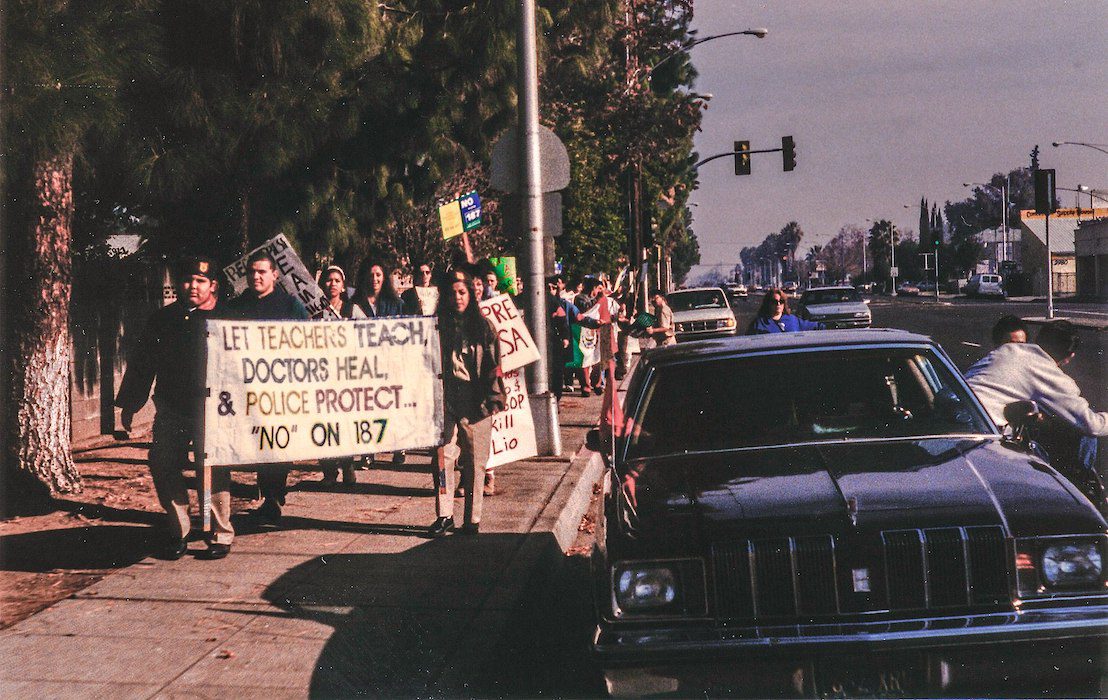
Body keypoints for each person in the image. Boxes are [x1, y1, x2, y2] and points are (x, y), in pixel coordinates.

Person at [115, 256, 233, 560]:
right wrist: (129, 404)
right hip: (172, 407)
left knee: (213, 469)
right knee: (163, 463)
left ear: (213, 286)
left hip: (214, 411)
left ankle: (219, 533)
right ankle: (179, 530)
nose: (193, 286)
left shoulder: (228, 319)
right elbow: (142, 364)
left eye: (201, 281)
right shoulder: (163, 319)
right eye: (188, 280)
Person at [966, 320, 1107, 493]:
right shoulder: (1051, 375)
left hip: (951, 417)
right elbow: (1092, 425)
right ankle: (1077, 489)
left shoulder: (1005, 350)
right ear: (1069, 357)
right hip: (983, 432)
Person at [227, 250, 310, 524]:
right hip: (248, 390)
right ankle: (268, 495)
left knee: (279, 445)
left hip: (281, 390)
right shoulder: (238, 306)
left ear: (275, 274)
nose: (256, 277)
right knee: (259, 443)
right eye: (251, 272)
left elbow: (306, 342)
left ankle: (274, 497)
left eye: (262, 272)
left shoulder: (291, 306)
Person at [428, 269, 506, 537]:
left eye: (462, 292)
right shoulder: (437, 326)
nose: (457, 297)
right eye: (452, 293)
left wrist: (493, 398)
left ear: (470, 295)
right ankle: (444, 514)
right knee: (442, 458)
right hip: (446, 398)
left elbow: (495, 366)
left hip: (476, 400)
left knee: (475, 462)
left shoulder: (484, 327)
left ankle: (472, 519)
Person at [352, 258, 407, 465]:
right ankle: (368, 452)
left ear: (384, 278)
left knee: (393, 406)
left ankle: (398, 447)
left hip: (391, 363)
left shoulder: (397, 304)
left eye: (378, 274)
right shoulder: (355, 304)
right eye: (371, 274)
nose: (374, 279)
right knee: (368, 407)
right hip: (365, 365)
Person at [317, 265, 365, 485]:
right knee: (324, 422)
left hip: (346, 374)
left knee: (345, 421)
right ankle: (328, 471)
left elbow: (368, 333)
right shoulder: (315, 310)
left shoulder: (351, 309)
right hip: (321, 374)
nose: (332, 284)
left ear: (343, 285)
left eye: (337, 280)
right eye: (328, 280)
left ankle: (348, 465)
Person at [748, 289, 824, 334]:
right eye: (774, 302)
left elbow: (817, 326)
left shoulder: (793, 320)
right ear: (768, 303)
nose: (778, 304)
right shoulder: (759, 324)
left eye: (781, 301)